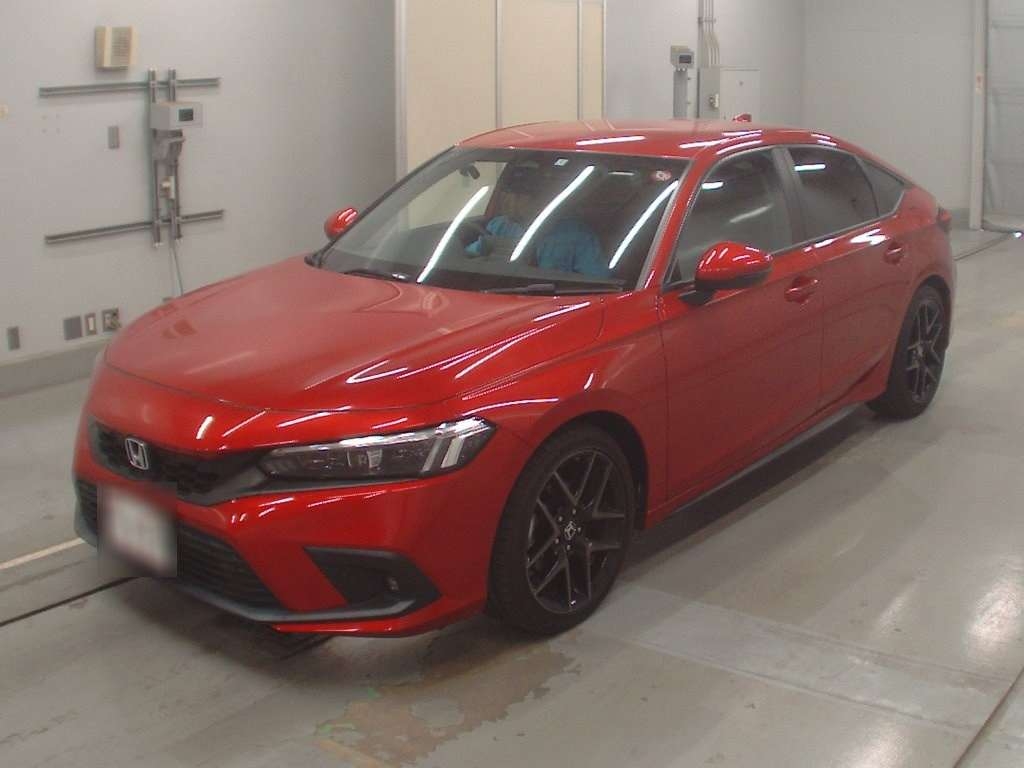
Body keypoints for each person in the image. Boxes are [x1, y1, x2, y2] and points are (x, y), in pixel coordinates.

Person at [465, 167, 608, 278]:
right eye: (505, 194)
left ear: (540, 200)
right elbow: (467, 258)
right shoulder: (499, 225)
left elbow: (598, 281)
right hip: (499, 291)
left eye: (518, 196)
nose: (507, 202)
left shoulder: (576, 235)